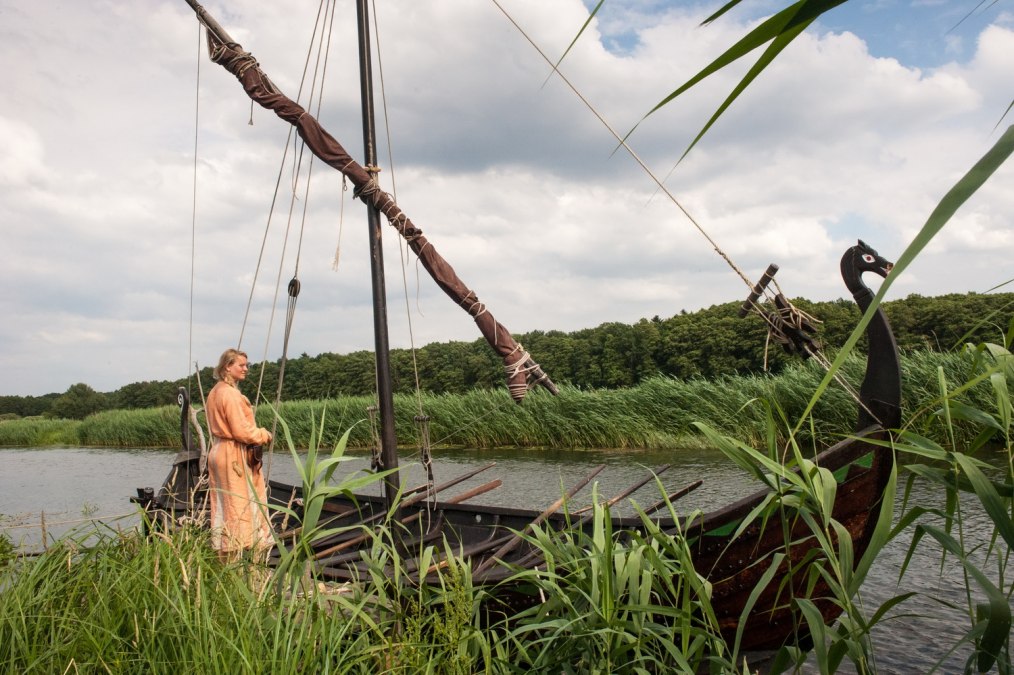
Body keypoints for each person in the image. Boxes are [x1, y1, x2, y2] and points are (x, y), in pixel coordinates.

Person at [205, 348, 273, 562]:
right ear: (227, 366)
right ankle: (243, 559)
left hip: (218, 451)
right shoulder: (230, 394)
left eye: (247, 365)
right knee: (241, 503)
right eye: (241, 365)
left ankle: (224, 557)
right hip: (233, 454)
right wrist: (263, 434)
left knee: (224, 506)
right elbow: (242, 431)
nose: (246, 369)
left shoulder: (215, 391)